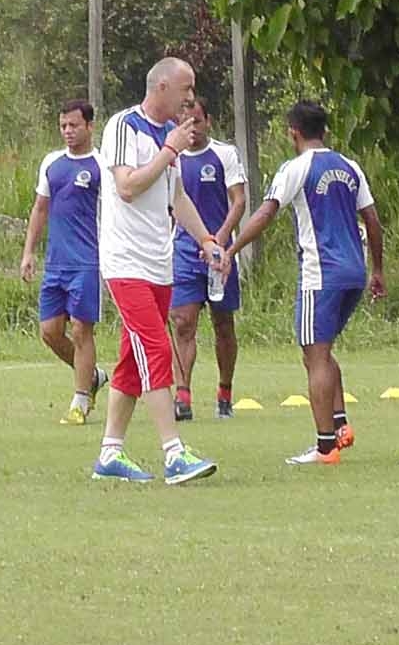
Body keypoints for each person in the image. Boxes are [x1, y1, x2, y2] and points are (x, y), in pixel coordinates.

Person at [222, 101, 386, 464]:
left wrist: (232, 249)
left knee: (316, 356)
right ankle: (341, 424)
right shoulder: (349, 166)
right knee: (321, 352)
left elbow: (266, 212)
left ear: (292, 132)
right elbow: (372, 220)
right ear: (324, 131)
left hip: (320, 272)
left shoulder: (296, 168)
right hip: (354, 272)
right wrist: (377, 270)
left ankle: (325, 446)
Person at [91, 57, 219, 484]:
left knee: (132, 360)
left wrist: (207, 240)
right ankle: (173, 452)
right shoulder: (124, 127)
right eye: (186, 88)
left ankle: (110, 454)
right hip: (125, 261)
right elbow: (127, 187)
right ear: (162, 86)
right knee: (156, 348)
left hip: (158, 263)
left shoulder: (171, 137)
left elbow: (176, 197)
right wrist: (169, 151)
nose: (190, 98)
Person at [20, 99, 107, 425]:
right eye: (63, 126)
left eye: (73, 125)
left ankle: (80, 401)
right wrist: (29, 252)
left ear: (89, 126)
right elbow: (40, 208)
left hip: (88, 262)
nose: (68, 132)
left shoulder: (101, 166)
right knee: (49, 332)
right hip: (56, 264)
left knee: (82, 330)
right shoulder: (52, 163)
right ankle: (93, 376)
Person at [168, 97, 247, 421]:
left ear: (208, 121)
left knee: (223, 324)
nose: (193, 128)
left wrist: (219, 241)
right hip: (184, 251)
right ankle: (182, 395)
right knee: (183, 322)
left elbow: (239, 201)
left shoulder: (224, 154)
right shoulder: (170, 159)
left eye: (197, 121)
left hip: (220, 253)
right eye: (186, 123)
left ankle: (225, 391)